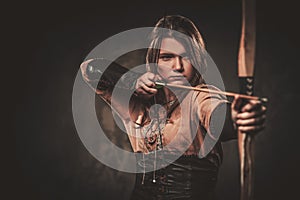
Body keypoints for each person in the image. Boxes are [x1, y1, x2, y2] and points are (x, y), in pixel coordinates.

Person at [80, 15, 266, 200]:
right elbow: (89, 69)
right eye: (167, 57)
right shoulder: (136, 102)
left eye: (186, 57)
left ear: (197, 60)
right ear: (154, 61)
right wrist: (132, 80)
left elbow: (218, 115)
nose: (177, 66)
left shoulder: (200, 97)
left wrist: (237, 117)